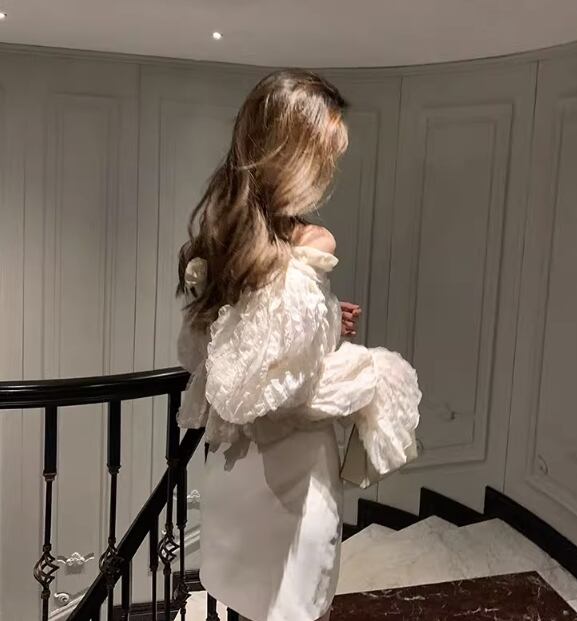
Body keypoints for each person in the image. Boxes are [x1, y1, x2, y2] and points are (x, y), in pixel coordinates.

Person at [176, 69, 421, 621]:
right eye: (325, 157)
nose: (329, 170)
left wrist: (326, 322)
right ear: (294, 158)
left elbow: (212, 358)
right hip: (292, 488)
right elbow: (272, 393)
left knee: (245, 605)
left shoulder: (221, 243)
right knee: (293, 606)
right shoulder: (306, 247)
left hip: (237, 472)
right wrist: (367, 370)